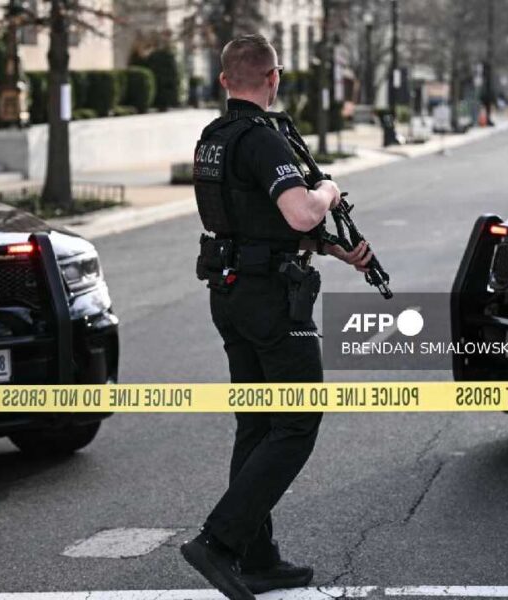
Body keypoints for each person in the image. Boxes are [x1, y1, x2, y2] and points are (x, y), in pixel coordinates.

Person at [181, 34, 374, 600]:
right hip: (271, 299)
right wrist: (329, 191)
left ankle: (255, 557)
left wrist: (335, 250)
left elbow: (252, 221)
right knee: (297, 421)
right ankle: (218, 542)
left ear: (223, 81)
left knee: (258, 422)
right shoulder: (264, 140)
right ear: (274, 78)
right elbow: (296, 210)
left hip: (231, 290)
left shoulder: (212, 140)